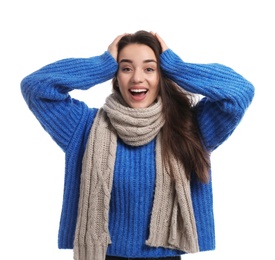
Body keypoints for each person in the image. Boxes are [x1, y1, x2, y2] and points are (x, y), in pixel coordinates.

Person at [21, 30, 254, 260]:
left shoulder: (191, 126)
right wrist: (101, 64)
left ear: (161, 75)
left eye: (149, 68)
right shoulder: (83, 126)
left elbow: (240, 92)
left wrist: (177, 68)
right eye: (126, 68)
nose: (137, 78)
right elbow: (35, 87)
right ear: (115, 75)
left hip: (166, 255)